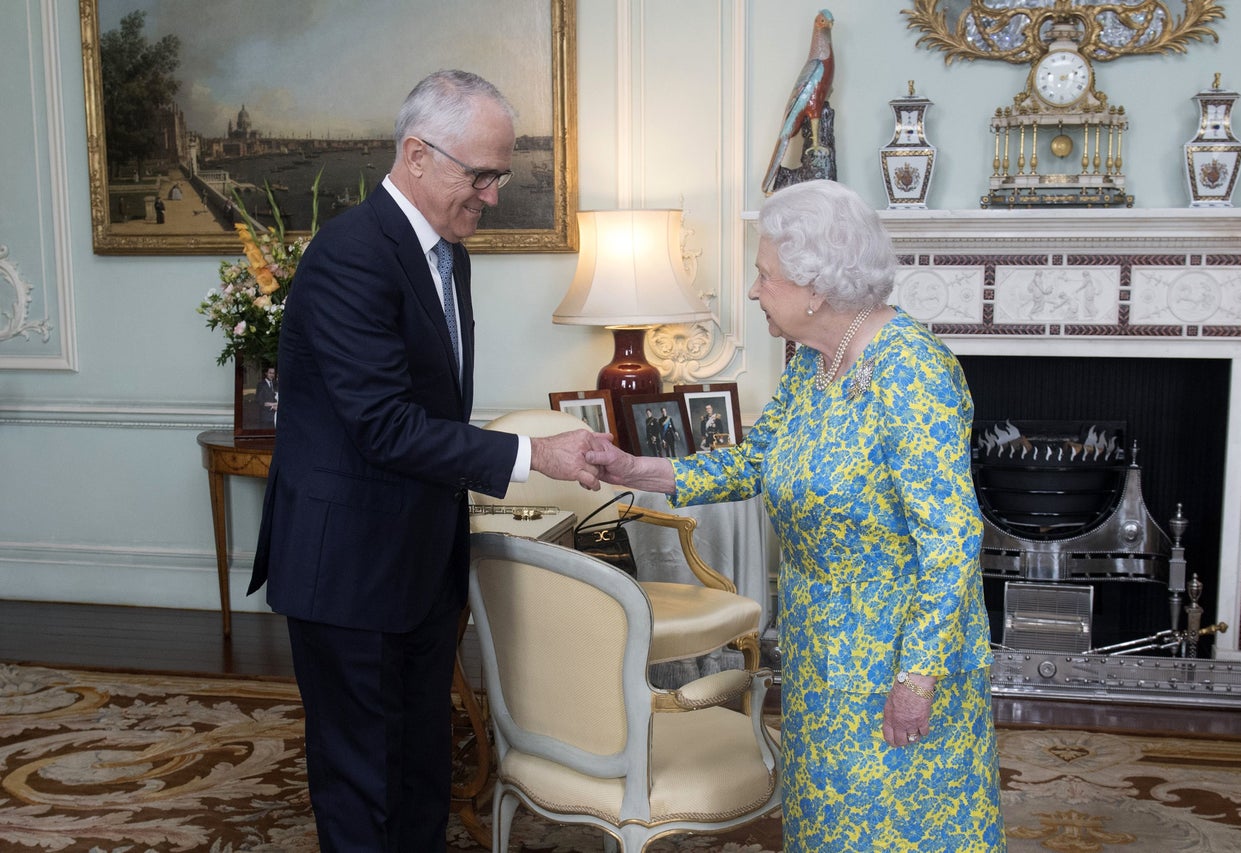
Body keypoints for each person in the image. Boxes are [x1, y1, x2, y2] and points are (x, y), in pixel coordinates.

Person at [585, 180, 1005, 851]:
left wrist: (916, 677)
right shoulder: (815, 362)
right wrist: (646, 471)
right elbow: (759, 460)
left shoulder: (911, 370)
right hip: (819, 649)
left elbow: (952, 540)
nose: (754, 291)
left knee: (898, 827)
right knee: (829, 826)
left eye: (764, 274)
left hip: (892, 655)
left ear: (816, 286)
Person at [248, 70, 603, 852]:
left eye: (501, 174)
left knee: (419, 771)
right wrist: (533, 452)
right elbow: (384, 426)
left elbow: (428, 411)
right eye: (481, 174)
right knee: (362, 787)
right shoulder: (351, 256)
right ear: (417, 155)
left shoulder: (447, 252)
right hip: (350, 568)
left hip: (414, 562)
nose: (494, 194)